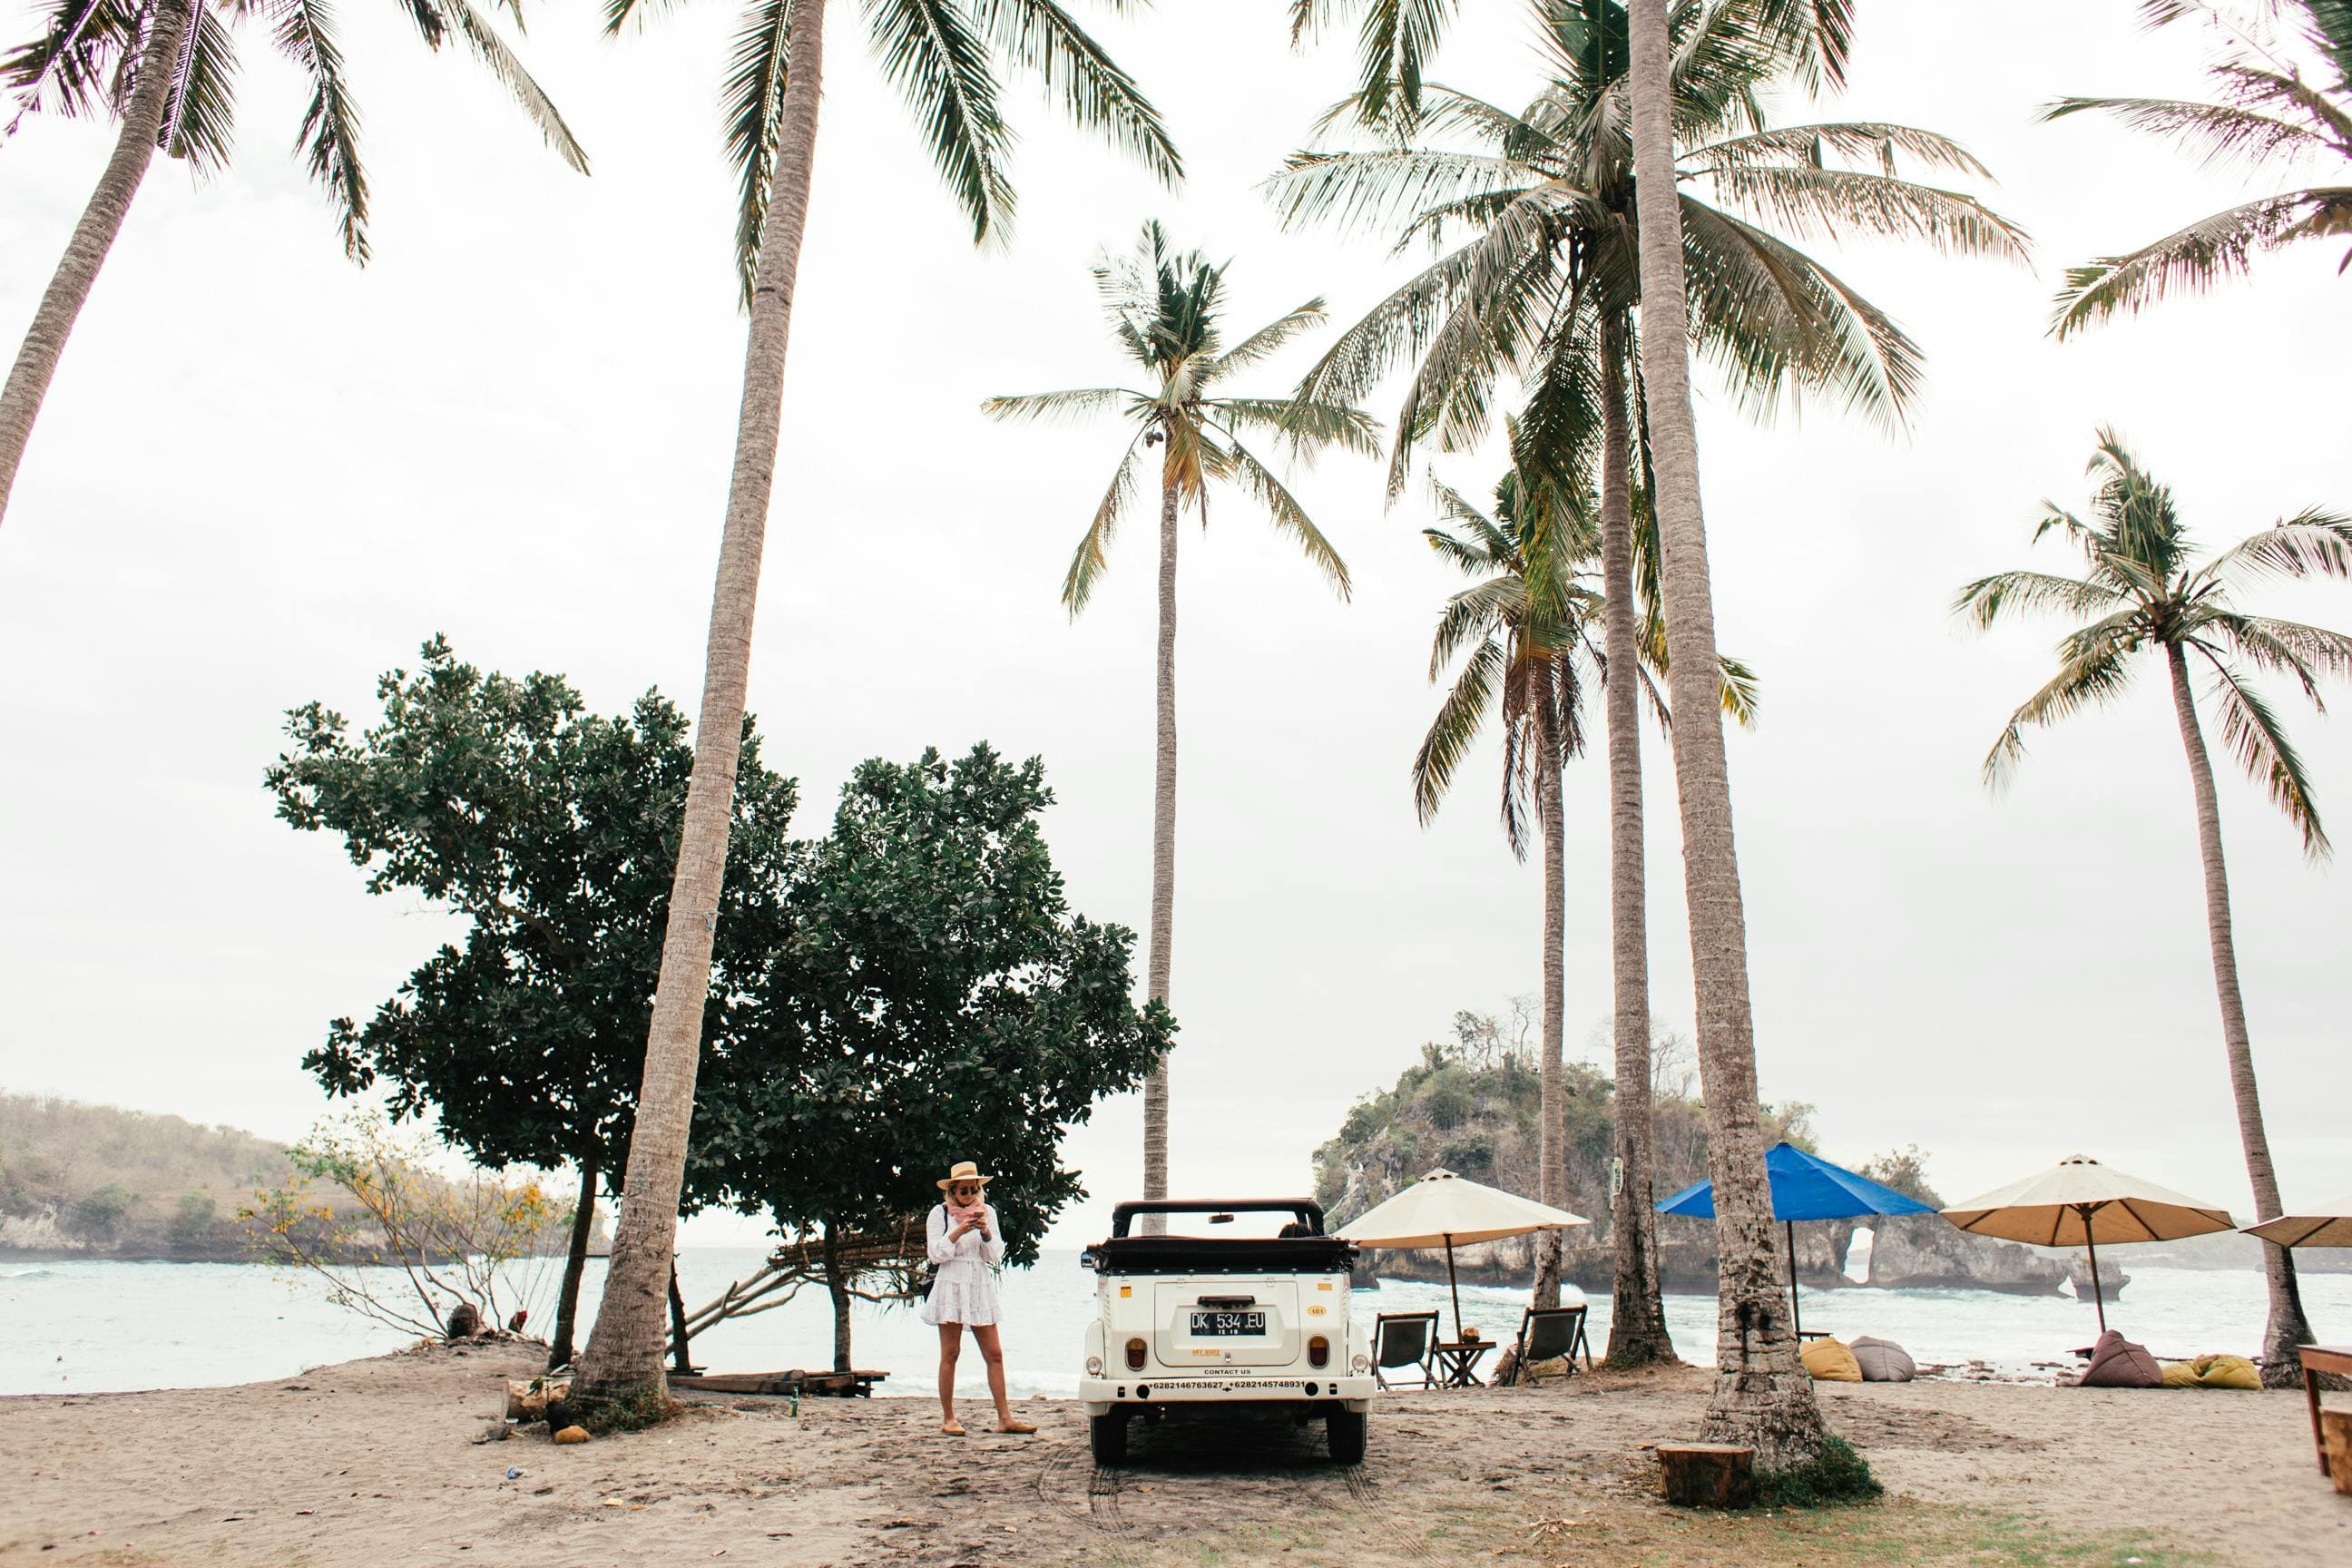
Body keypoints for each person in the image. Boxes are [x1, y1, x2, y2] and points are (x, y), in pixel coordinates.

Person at [920, 1161, 1034, 1437]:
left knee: (994, 1353)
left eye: (973, 1189)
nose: (969, 1195)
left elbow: (994, 1255)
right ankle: (948, 1418)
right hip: (951, 1282)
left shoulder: (988, 1212)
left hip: (979, 1282)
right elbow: (936, 1254)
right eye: (963, 1190)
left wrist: (984, 1231)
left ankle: (1004, 1417)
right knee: (951, 1353)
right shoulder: (940, 1213)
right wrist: (959, 1229)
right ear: (953, 1192)